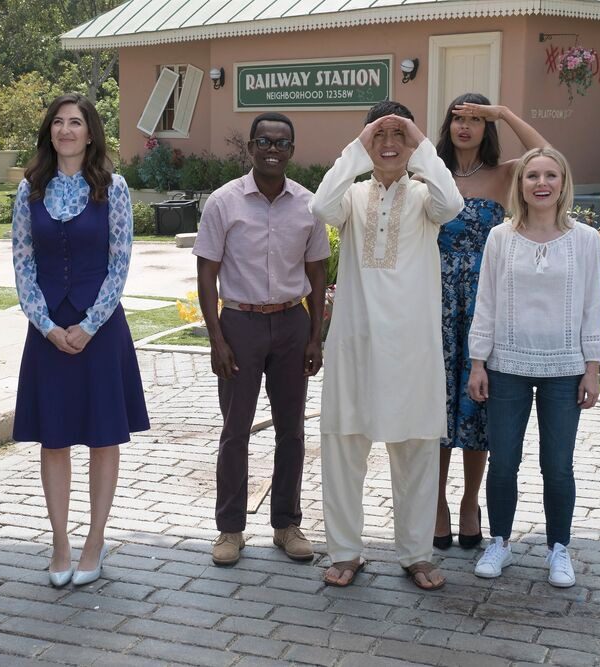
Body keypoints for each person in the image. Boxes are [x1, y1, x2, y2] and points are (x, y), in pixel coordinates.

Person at [310, 102, 463, 590]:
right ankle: (345, 551)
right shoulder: (353, 197)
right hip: (355, 343)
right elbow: (321, 206)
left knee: (416, 448)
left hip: (412, 346)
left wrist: (420, 143)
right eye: (380, 135)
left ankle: (417, 554)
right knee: (343, 444)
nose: (390, 143)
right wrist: (357, 148)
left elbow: (453, 204)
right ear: (365, 142)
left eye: (400, 134)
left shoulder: (425, 197)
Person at [11, 93, 149, 588]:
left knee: (102, 435)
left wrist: (90, 324)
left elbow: (120, 260)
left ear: (91, 134)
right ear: (48, 131)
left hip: (101, 329)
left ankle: (94, 539)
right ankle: (60, 542)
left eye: (76, 122)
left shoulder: (113, 187)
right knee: (54, 438)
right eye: (58, 122)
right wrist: (46, 325)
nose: (66, 130)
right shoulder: (29, 190)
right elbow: (22, 263)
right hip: (47, 329)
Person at [193, 112, 329, 567]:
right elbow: (206, 274)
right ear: (250, 147)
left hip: (291, 324)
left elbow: (317, 274)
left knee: (292, 430)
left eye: (281, 142)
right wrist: (216, 339)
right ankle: (230, 529)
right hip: (240, 325)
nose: (273, 149)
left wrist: (315, 337)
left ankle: (287, 524)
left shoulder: (309, 205)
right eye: (264, 141)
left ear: (292, 150)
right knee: (235, 431)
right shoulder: (223, 202)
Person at [467, 147, 600, 588]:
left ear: (563, 183)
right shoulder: (500, 238)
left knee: (558, 465)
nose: (541, 183)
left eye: (550, 175)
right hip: (506, 365)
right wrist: (478, 362)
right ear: (521, 184)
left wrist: (591, 368)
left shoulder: (585, 240)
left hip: (565, 369)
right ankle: (500, 542)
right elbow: (485, 301)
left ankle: (558, 549)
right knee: (503, 462)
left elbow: (593, 304)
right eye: (532, 176)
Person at [433, 93, 548, 550]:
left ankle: (469, 501)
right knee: (437, 403)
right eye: (457, 118)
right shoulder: (429, 172)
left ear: (487, 129)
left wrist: (503, 113)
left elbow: (548, 156)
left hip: (487, 302)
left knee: (477, 404)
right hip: (435, 301)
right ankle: (436, 502)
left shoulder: (504, 175)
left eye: (476, 120)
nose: (465, 126)